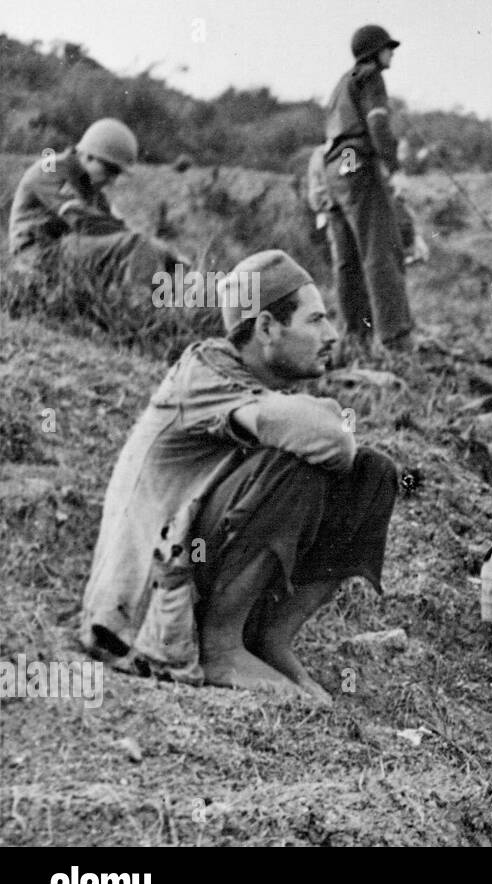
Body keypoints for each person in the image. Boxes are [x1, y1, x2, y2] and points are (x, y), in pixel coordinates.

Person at [79, 250, 399, 703]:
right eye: (315, 321)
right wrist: (324, 414)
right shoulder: (205, 373)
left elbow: (339, 447)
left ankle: (271, 638)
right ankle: (221, 647)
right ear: (267, 327)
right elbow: (332, 439)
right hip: (143, 603)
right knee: (294, 466)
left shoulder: (252, 385)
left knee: (374, 474)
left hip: (190, 565)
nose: (331, 335)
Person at [321, 24, 414, 355]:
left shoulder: (341, 84)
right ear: (374, 52)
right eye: (388, 48)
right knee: (381, 249)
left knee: (347, 258)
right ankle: (395, 340)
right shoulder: (372, 76)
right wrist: (395, 168)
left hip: (333, 166)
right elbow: (376, 124)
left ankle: (354, 339)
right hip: (356, 161)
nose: (392, 53)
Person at [8, 118, 181, 287]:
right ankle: (144, 309)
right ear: (89, 157)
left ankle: (174, 299)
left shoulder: (89, 186)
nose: (112, 180)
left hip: (60, 253)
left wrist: (162, 251)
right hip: (36, 257)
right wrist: (143, 242)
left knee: (145, 249)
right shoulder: (50, 168)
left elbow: (117, 225)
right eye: (111, 170)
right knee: (134, 245)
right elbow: (84, 219)